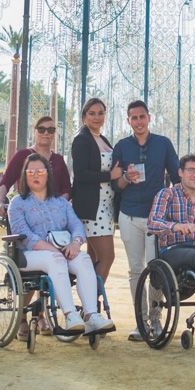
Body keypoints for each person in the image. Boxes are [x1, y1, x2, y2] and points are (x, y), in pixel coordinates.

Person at [9, 153, 114, 334]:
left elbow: (77, 226)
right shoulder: (18, 203)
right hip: (29, 255)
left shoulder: (61, 203)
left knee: (83, 259)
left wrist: (75, 244)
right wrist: (54, 250)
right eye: (31, 171)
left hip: (63, 252)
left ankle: (91, 315)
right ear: (24, 175)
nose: (35, 175)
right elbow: (25, 235)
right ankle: (70, 315)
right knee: (55, 259)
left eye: (40, 171)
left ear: (48, 175)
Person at [112, 100, 180, 340]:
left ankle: (156, 319)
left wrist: (172, 205)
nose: (138, 122)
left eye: (142, 117)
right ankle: (140, 321)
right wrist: (126, 179)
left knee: (156, 269)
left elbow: (176, 177)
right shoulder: (121, 147)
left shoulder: (163, 144)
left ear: (149, 118)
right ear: (128, 121)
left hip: (157, 218)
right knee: (135, 270)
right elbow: (115, 185)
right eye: (134, 118)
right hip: (129, 214)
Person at [147, 153, 195, 324]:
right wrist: (175, 226)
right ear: (180, 172)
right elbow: (152, 223)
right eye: (191, 170)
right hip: (173, 251)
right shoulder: (167, 194)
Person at [70, 98, 123, 281]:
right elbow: (81, 174)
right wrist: (110, 176)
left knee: (95, 258)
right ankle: (92, 302)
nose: (96, 117)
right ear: (84, 117)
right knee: (108, 257)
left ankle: (89, 306)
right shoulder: (81, 140)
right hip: (92, 209)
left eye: (100, 113)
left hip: (106, 206)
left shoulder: (102, 139)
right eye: (92, 113)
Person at [0, 116, 72, 212]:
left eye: (51, 130)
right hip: (27, 213)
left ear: (54, 134)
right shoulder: (22, 155)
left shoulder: (59, 159)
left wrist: (56, 206)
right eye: (41, 129)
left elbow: (66, 189)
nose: (46, 133)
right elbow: (5, 181)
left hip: (53, 217)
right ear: (34, 131)